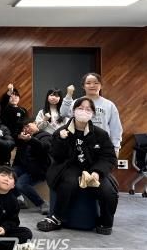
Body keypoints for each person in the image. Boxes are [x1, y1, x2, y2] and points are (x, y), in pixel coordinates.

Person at [38, 97, 118, 235]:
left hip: (94, 168)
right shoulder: (61, 132)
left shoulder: (101, 134)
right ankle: (56, 218)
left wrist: (97, 172)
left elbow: (109, 157)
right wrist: (61, 140)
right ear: (73, 111)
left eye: (88, 109)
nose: (83, 111)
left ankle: (105, 221)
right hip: (69, 167)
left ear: (93, 113)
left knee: (108, 192)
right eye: (80, 108)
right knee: (68, 184)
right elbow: (56, 156)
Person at [60, 72, 123, 155]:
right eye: (88, 83)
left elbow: (115, 128)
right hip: (79, 145)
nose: (92, 85)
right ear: (83, 86)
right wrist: (69, 95)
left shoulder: (109, 105)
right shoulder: (76, 102)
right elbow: (64, 113)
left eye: (96, 83)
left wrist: (116, 148)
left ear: (101, 85)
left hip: (102, 145)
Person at [12, 119, 51, 214]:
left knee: (21, 184)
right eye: (24, 128)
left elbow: (44, 147)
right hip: (23, 167)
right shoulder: (23, 137)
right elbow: (12, 138)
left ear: (35, 123)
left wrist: (30, 140)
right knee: (8, 174)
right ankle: (20, 200)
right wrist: (19, 137)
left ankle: (42, 204)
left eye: (28, 126)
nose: (26, 129)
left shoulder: (45, 135)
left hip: (37, 170)